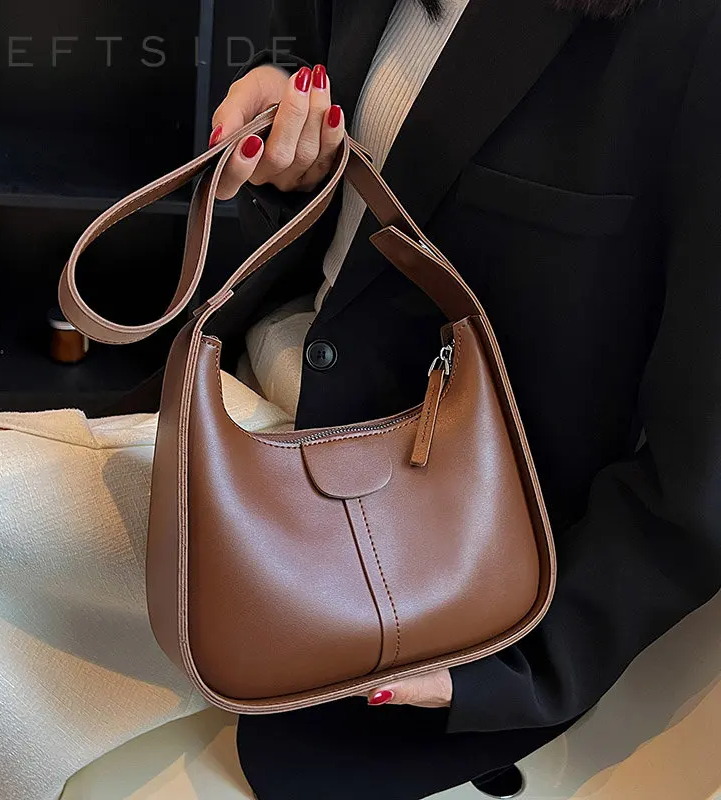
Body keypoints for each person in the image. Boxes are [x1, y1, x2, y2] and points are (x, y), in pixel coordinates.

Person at [189, 0, 721, 797]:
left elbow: (704, 463)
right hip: (239, 418)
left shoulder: (693, 30)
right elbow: (357, 182)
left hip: (417, 566)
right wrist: (294, 150)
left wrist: (520, 664)